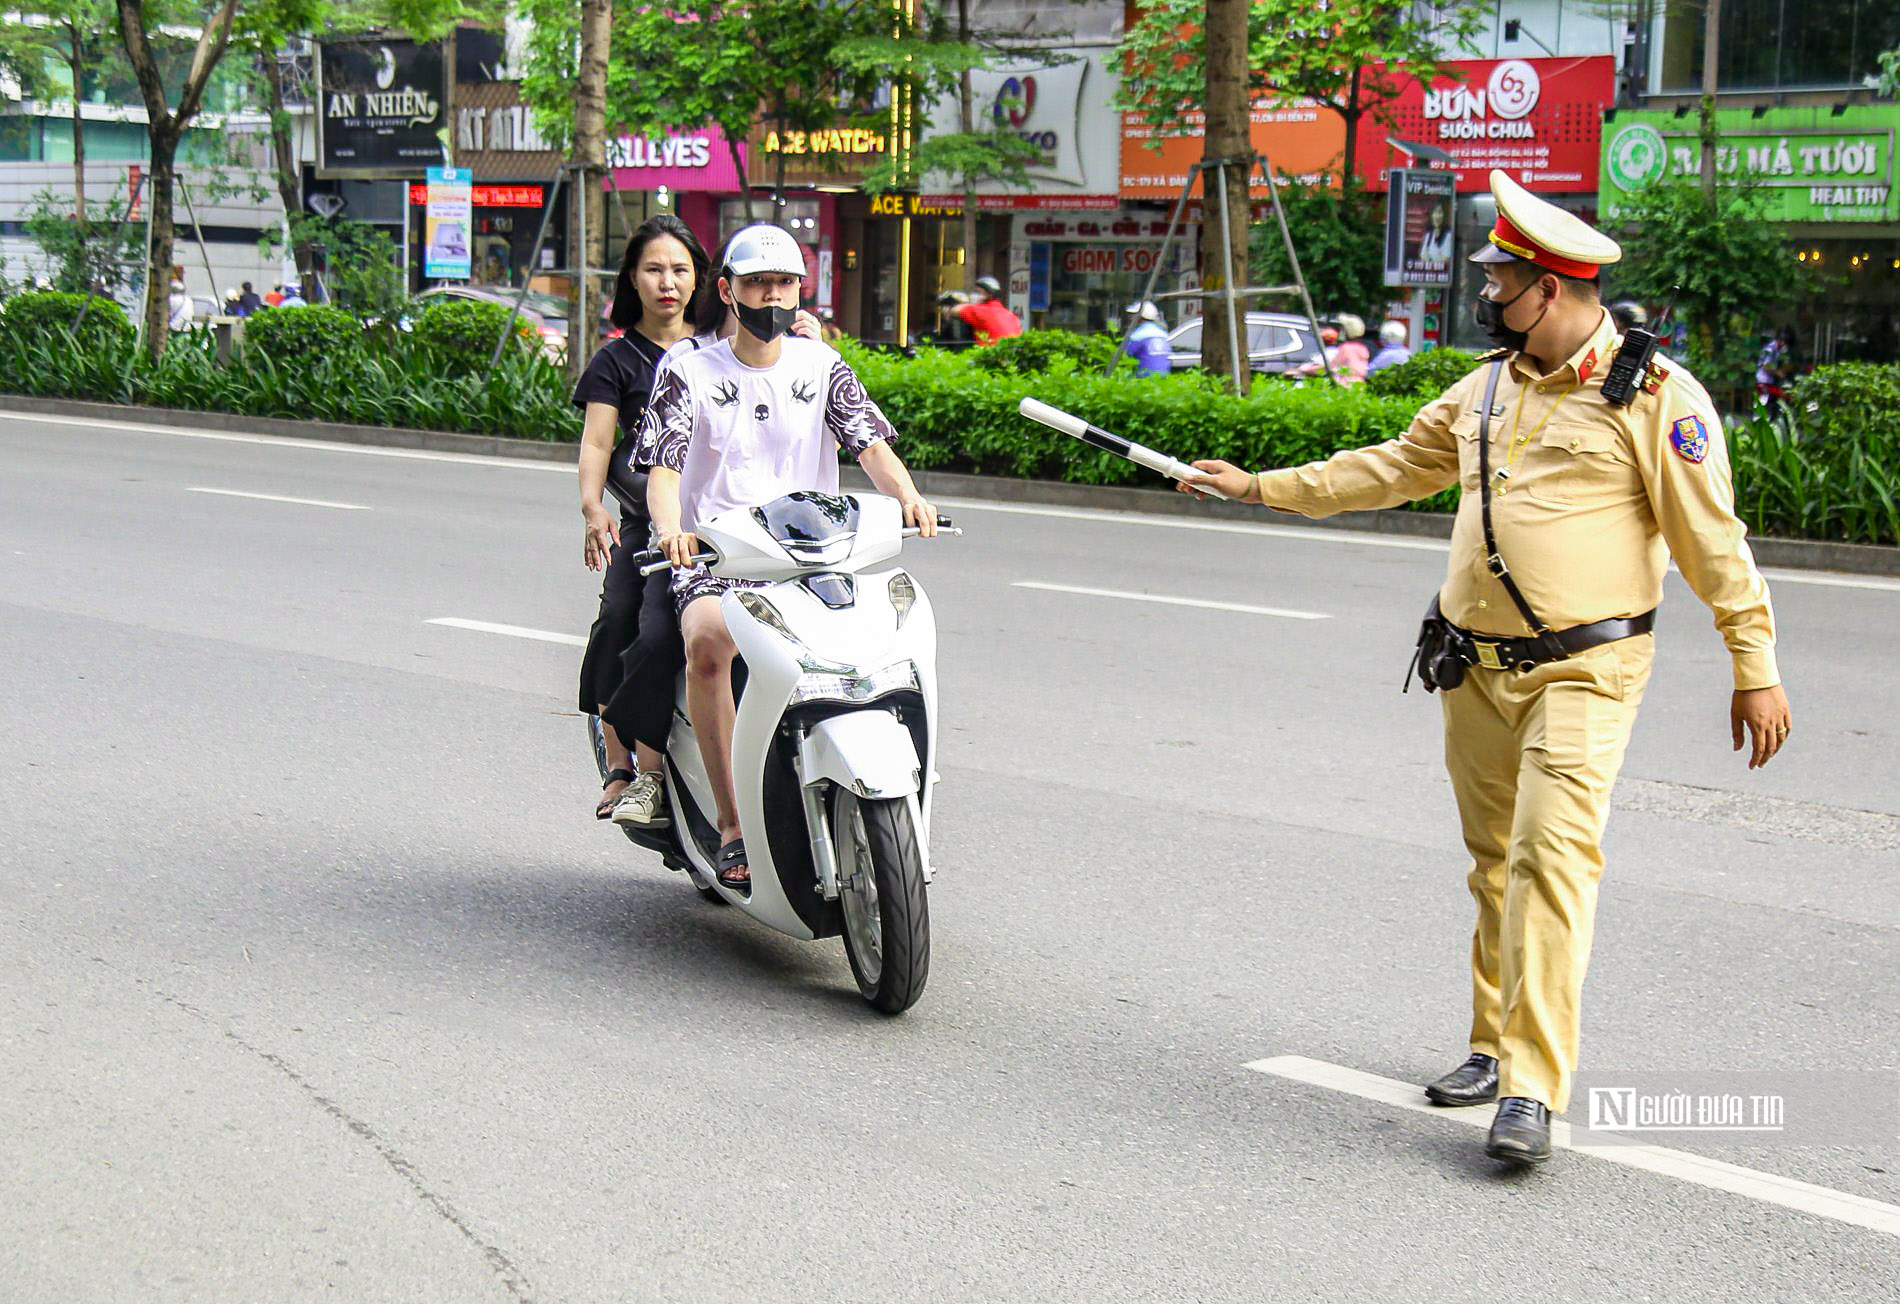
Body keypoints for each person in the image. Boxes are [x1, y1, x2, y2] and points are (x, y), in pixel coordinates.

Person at [1179, 169, 1790, 1169]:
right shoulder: (1489, 385)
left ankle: (1532, 1086)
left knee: (1552, 859)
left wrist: (1753, 664)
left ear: (1548, 289)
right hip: (1473, 665)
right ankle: (1489, 1039)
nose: (1486, 296)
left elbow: (1712, 544)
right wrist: (1260, 486)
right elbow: (1389, 466)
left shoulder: (1653, 399)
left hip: (1586, 670)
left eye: (1499, 280)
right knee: (1494, 864)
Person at [635, 224, 936, 889]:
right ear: (728, 292)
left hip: (815, 556)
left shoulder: (821, 366)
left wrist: (911, 498)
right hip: (719, 557)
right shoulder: (687, 371)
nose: (772, 296)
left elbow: (870, 447)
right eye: (757, 284)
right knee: (709, 641)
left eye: (784, 283)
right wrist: (671, 531)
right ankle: (735, 824)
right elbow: (665, 469)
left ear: (802, 289)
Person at [574, 214, 712, 824]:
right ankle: (622, 764)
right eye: (654, 269)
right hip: (647, 522)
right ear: (632, 277)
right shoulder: (618, 360)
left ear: (700, 279)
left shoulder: (719, 349)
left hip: (715, 523)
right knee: (621, 619)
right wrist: (592, 505)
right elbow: (599, 446)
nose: (668, 283)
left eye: (680, 270)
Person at [948, 274, 1022, 346]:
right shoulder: (1011, 314)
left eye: (978, 292)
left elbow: (954, 310)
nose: (975, 295)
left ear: (988, 295)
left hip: (988, 356)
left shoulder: (978, 310)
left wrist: (968, 303)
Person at [1121, 300, 1172, 377]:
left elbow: (1124, 357)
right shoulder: (1163, 335)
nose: (1131, 318)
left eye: (1134, 315)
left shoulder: (1137, 336)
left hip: (1144, 381)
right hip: (1164, 380)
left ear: (1140, 317)